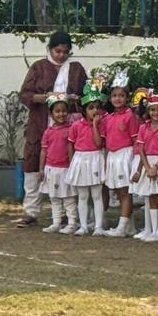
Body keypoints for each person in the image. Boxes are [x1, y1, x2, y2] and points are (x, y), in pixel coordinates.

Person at [16, 31, 87, 227]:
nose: (61, 55)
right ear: (49, 49)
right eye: (57, 51)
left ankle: (65, 213)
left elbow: (87, 95)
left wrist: (74, 99)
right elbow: (25, 95)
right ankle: (31, 212)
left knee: (65, 167)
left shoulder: (76, 69)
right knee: (32, 166)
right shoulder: (39, 67)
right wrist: (46, 97)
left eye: (65, 52)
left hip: (68, 127)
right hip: (40, 124)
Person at [65, 76, 108, 236]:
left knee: (97, 195)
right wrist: (71, 164)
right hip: (80, 160)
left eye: (97, 107)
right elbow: (70, 145)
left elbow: (98, 143)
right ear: (84, 109)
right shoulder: (76, 126)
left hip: (95, 158)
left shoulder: (101, 125)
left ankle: (98, 226)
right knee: (82, 196)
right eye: (91, 107)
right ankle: (83, 225)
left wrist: (96, 126)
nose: (94, 111)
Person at [101, 69, 139, 237]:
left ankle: (122, 227)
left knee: (124, 191)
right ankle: (129, 225)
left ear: (127, 98)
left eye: (121, 96)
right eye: (115, 95)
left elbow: (135, 138)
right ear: (110, 98)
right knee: (118, 191)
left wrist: (135, 161)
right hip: (113, 155)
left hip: (125, 154)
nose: (118, 99)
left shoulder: (130, 116)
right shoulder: (108, 118)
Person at [132, 91, 158, 241]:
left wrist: (156, 166)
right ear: (148, 111)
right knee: (150, 197)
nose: (156, 113)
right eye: (153, 110)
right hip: (147, 163)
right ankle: (152, 230)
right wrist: (146, 167)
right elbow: (141, 149)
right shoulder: (143, 128)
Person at [40, 94, 79, 234]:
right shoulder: (47, 132)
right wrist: (41, 169)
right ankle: (56, 222)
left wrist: (72, 166)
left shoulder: (71, 129)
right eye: (57, 111)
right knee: (54, 197)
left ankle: (72, 222)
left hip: (65, 168)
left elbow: (71, 149)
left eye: (63, 111)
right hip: (51, 169)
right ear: (51, 114)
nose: (61, 114)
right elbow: (43, 152)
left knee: (68, 197)